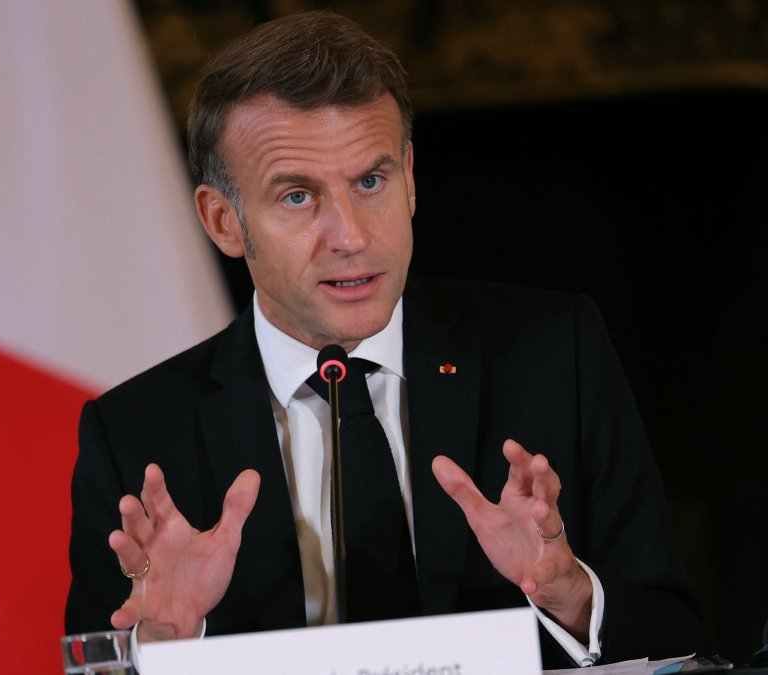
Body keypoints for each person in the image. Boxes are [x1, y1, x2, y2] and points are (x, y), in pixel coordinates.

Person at [65, 9, 699, 668]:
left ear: (411, 178)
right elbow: (99, 656)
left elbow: (675, 637)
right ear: (223, 221)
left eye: (371, 181)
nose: (351, 236)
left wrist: (569, 594)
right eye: (298, 196)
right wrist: (165, 647)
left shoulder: (553, 356)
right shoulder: (136, 435)